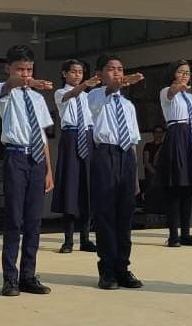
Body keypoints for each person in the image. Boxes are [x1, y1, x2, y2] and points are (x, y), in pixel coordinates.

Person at [0, 45, 56, 296]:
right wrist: (25, 81)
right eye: (20, 69)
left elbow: (42, 134)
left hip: (37, 158)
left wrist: (49, 169)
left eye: (29, 69)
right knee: (14, 219)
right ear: (9, 68)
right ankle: (10, 277)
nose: (26, 74)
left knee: (33, 220)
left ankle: (29, 274)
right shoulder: (3, 91)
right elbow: (9, 86)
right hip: (16, 156)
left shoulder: (38, 98)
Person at [86, 54, 145, 290]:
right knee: (106, 213)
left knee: (125, 214)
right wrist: (113, 86)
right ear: (100, 75)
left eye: (120, 69)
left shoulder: (129, 106)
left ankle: (123, 267)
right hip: (105, 155)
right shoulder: (94, 96)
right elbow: (105, 96)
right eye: (111, 69)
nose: (117, 73)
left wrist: (135, 176)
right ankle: (107, 269)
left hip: (125, 158)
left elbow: (133, 142)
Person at [158, 59, 192, 247]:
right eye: (181, 72)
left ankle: (186, 233)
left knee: (188, 189)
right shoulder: (166, 92)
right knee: (175, 189)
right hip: (176, 136)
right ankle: (173, 235)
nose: (185, 75)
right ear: (173, 74)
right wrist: (178, 86)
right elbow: (171, 93)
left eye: (187, 72)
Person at [54, 59, 99, 253]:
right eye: (73, 72)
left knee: (87, 186)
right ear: (65, 74)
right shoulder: (61, 92)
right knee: (70, 187)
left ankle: (86, 237)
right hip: (71, 137)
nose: (78, 75)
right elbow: (71, 95)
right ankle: (68, 239)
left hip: (87, 136)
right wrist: (84, 86)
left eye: (81, 72)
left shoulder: (87, 97)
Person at [142, 124, 165, 206]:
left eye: (161, 132)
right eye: (157, 132)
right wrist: (155, 173)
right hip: (151, 173)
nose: (159, 134)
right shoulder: (148, 146)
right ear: (153, 134)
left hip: (162, 173)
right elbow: (146, 162)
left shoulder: (165, 146)